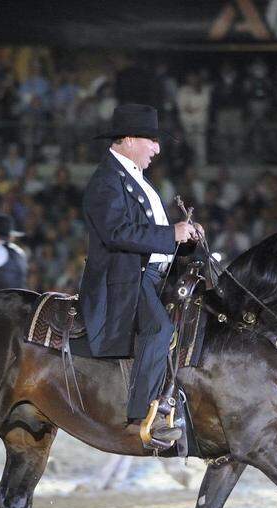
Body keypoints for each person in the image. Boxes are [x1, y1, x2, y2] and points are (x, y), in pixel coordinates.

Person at [78, 103, 202, 448]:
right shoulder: (106, 181)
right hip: (126, 279)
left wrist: (184, 236)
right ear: (130, 138)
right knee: (159, 328)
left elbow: (150, 232)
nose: (157, 148)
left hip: (151, 273)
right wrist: (169, 234)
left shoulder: (133, 179)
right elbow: (117, 231)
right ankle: (140, 419)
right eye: (152, 140)